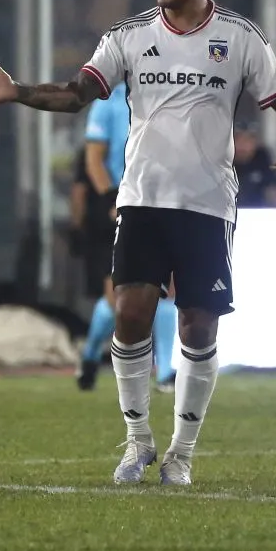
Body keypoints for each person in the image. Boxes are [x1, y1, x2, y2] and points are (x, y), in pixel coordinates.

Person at [0, 0, 276, 486]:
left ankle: (182, 454)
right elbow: (76, 96)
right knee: (131, 312)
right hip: (142, 199)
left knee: (198, 324)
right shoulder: (128, 36)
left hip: (208, 205)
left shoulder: (240, 37)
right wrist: (16, 91)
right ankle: (138, 441)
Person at [77, 83, 178, 393]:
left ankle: (164, 372)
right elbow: (94, 159)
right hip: (121, 206)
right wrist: (111, 198)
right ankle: (91, 353)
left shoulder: (171, 97)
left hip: (161, 204)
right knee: (117, 296)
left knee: (167, 288)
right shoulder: (109, 101)